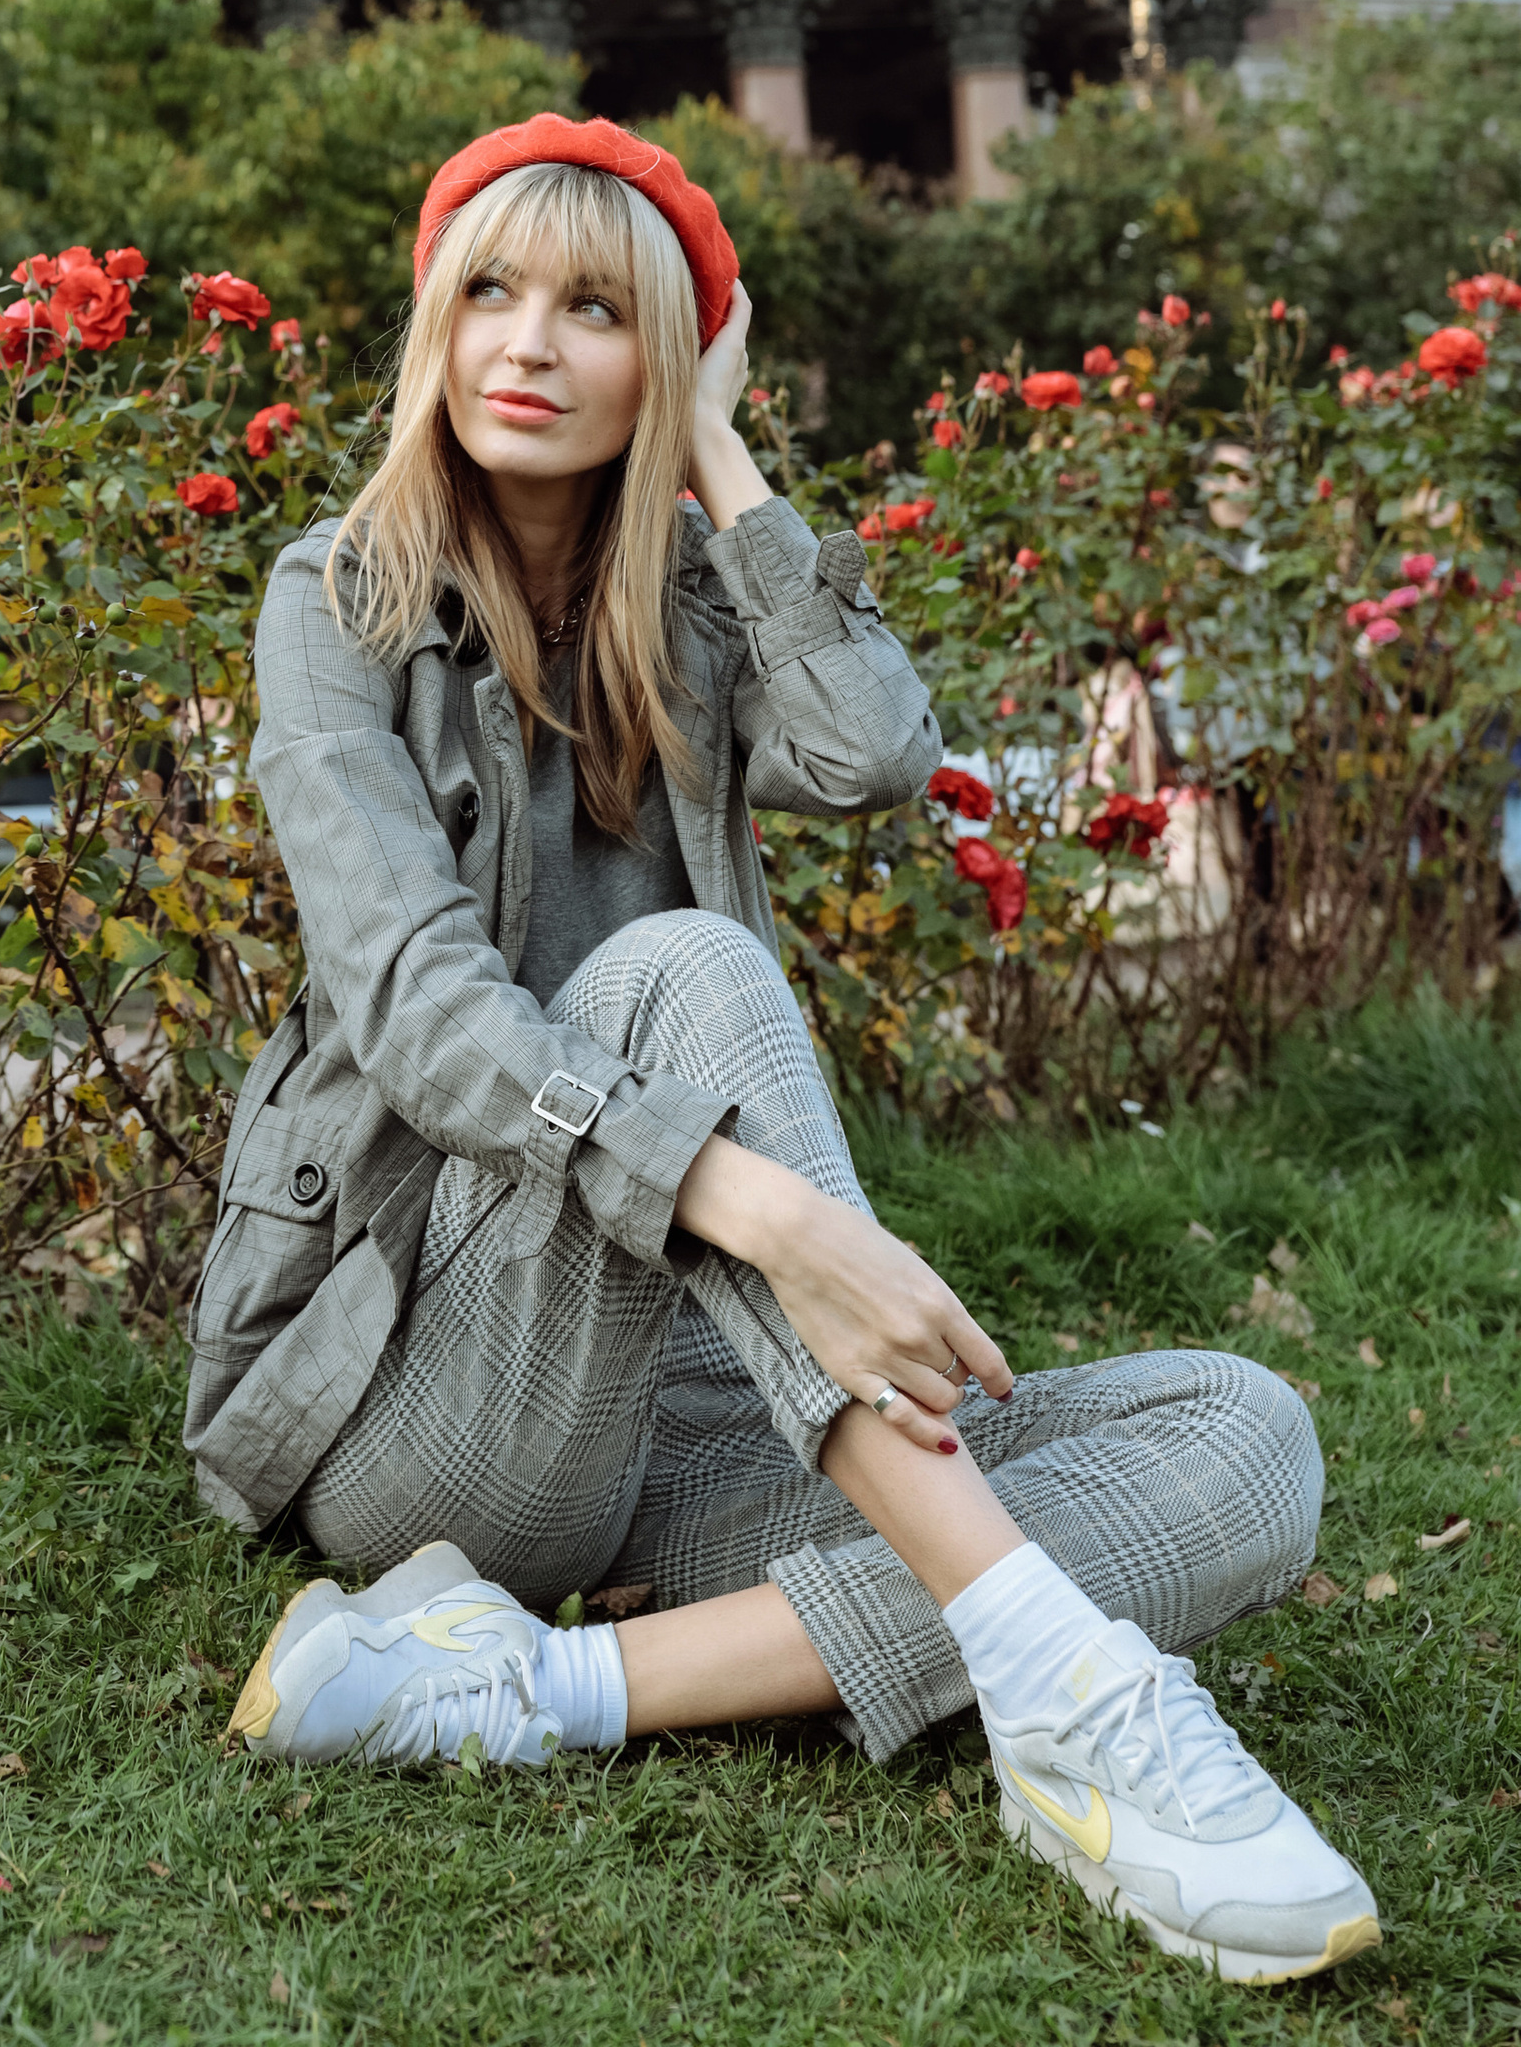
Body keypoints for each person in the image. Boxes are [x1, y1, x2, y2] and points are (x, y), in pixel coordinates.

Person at [185, 115, 1377, 1989]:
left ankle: (530, 1686)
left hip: (699, 1407)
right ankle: (1079, 1703)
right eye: (488, 292)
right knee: (687, 969)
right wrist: (767, 1209)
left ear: (666, 360)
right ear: (433, 326)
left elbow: (876, 752)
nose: (528, 344)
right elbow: (418, 1009)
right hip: (432, 1393)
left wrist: (724, 457)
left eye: (598, 311)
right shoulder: (337, 603)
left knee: (1249, 1437)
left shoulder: (697, 606)